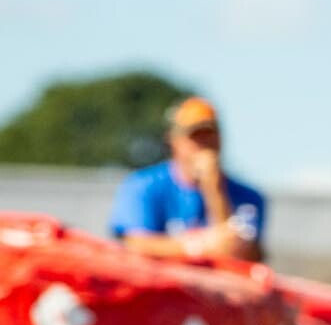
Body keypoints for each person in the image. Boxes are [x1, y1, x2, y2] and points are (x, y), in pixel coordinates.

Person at [109, 97, 267, 261]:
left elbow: (243, 256)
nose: (204, 145)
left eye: (209, 135)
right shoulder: (143, 186)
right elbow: (136, 244)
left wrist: (214, 189)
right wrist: (199, 247)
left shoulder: (248, 197)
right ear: (173, 140)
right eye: (195, 137)